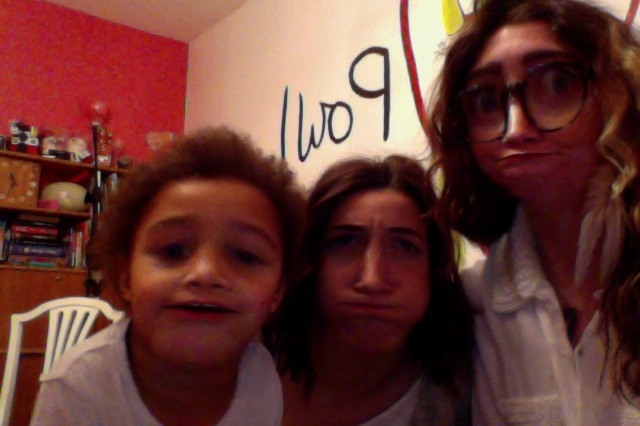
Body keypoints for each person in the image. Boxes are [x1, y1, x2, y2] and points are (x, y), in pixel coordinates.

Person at [426, 0, 640, 424]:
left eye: (556, 82)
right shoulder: (478, 303)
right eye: (485, 100)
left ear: (615, 94)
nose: (516, 129)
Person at [30, 127, 306, 425]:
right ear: (125, 277)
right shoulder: (78, 389)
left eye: (245, 256)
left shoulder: (262, 377)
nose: (205, 273)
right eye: (173, 251)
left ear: (278, 292)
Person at [266, 156, 474, 425]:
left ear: (432, 271)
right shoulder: (247, 356)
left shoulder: (464, 396)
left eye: (403, 246)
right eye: (345, 241)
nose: (372, 280)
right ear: (310, 260)